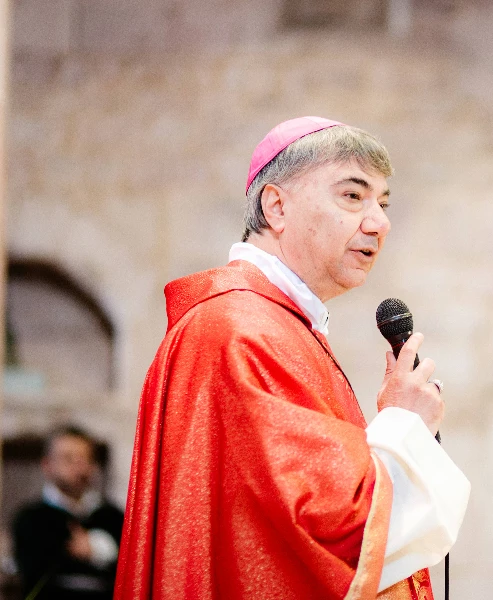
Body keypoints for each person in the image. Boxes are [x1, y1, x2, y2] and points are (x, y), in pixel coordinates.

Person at [114, 117, 470, 600]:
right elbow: (338, 527)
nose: (380, 222)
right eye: (353, 196)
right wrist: (404, 425)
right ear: (276, 206)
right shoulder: (242, 331)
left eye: (383, 204)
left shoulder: (272, 324)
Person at [13, 425, 124, 600]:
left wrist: (96, 550)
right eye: (68, 458)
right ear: (47, 465)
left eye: (85, 458)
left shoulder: (113, 517)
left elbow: (128, 571)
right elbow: (34, 571)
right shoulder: (30, 518)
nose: (79, 466)